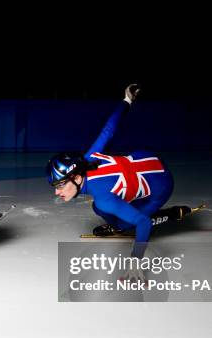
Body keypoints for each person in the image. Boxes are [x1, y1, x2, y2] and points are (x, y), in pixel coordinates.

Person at [46, 84, 189, 268]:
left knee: (125, 222)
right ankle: (125, 217)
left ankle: (167, 214)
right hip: (148, 158)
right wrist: (127, 100)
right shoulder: (88, 158)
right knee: (98, 208)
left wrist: (135, 262)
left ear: (78, 178)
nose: (57, 192)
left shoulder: (104, 198)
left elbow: (143, 223)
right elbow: (108, 130)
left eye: (60, 185)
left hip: (162, 186)